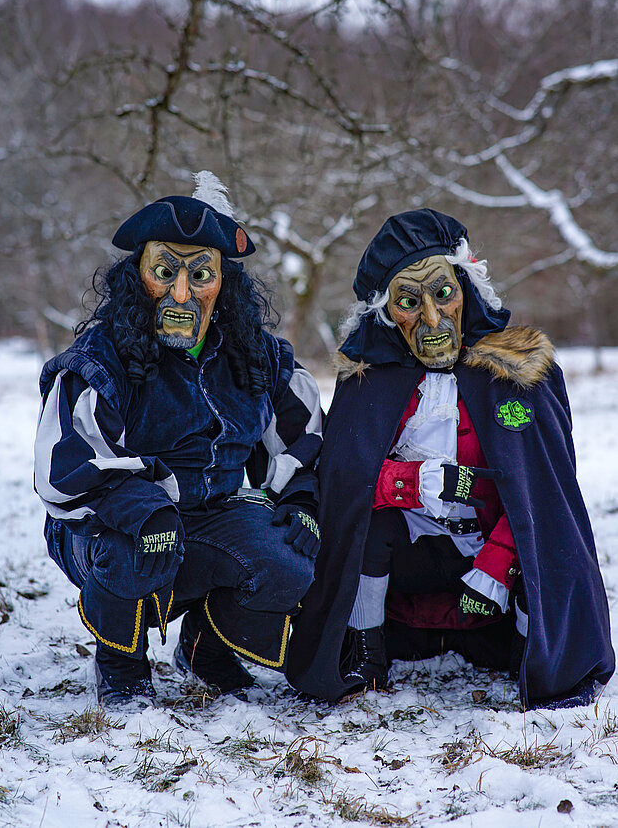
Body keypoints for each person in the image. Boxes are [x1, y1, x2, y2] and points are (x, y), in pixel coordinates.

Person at [286, 209, 614, 710]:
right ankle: (365, 649)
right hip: (410, 559)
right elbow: (345, 484)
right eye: (409, 302)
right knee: (368, 532)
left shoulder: (519, 372)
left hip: (495, 553)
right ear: (386, 313)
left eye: (443, 293)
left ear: (466, 288)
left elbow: (543, 497)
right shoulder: (368, 382)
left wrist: (496, 566)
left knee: (543, 546)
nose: (433, 319)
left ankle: (530, 653)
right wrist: (412, 481)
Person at [34, 172, 322, 707]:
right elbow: (66, 468)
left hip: (212, 515)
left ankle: (205, 649)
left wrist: (302, 501)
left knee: (289, 559)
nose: (181, 293)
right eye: (164, 273)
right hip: (107, 526)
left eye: (201, 275)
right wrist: (146, 509)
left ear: (224, 284)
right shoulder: (99, 360)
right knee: (133, 548)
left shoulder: (259, 357)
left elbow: (301, 443)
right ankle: (121, 664)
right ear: (137, 277)